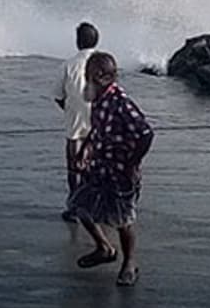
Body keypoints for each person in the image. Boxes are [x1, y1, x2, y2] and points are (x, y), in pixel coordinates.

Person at [67, 52, 155, 287]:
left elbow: (146, 134)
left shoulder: (121, 103)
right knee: (79, 206)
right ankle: (104, 248)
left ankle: (129, 263)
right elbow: (96, 129)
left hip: (120, 173)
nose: (85, 81)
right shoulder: (98, 99)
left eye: (88, 76)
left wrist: (132, 164)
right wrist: (84, 151)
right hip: (99, 169)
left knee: (123, 220)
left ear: (101, 77)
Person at [53, 22, 100, 222]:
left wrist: (70, 110)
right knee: (95, 166)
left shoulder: (68, 65)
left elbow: (58, 96)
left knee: (73, 166)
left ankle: (74, 206)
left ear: (77, 42)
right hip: (100, 122)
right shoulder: (104, 63)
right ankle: (94, 205)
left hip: (75, 122)